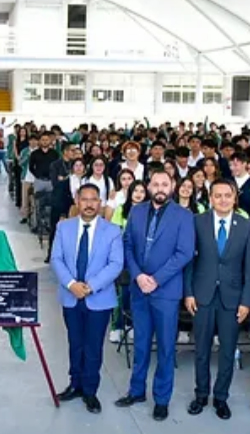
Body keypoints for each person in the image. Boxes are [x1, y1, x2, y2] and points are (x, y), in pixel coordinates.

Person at [115, 170, 195, 422]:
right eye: (156, 183)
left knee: (165, 347)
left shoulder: (184, 216)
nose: (160, 188)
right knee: (140, 343)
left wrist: (157, 279)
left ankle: (161, 399)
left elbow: (184, 253)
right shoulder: (137, 211)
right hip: (139, 289)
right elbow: (127, 245)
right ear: (149, 186)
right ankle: (136, 391)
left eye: (165, 184)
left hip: (166, 291)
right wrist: (138, 275)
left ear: (172, 187)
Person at [183, 179, 250, 420]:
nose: (223, 200)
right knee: (201, 349)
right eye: (218, 195)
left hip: (232, 299)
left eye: (228, 195)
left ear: (235, 198)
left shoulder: (247, 226)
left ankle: (221, 397)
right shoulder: (197, 222)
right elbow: (189, 261)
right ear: (210, 197)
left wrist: (246, 301)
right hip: (202, 295)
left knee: (227, 350)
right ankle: (201, 394)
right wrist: (188, 292)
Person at [50, 183, 123, 414]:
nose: (89, 204)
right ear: (77, 201)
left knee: (93, 346)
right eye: (85, 199)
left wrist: (90, 287)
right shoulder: (64, 228)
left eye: (94, 200)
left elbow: (116, 264)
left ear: (100, 203)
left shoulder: (112, 231)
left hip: (99, 298)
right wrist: (72, 284)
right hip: (70, 296)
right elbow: (56, 259)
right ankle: (75, 384)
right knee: (75, 342)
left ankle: (90, 391)